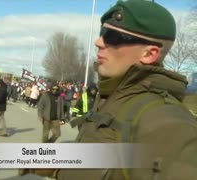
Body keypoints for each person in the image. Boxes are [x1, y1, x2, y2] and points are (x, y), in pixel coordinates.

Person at [20, 0, 197, 179]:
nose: (98, 42)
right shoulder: (112, 99)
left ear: (149, 54)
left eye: (112, 37)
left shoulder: (169, 125)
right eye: (102, 32)